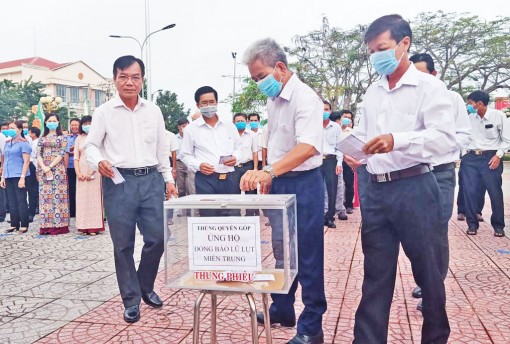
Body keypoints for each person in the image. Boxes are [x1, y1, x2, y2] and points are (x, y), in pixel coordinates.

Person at [352, 15, 455, 343]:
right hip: (376, 189)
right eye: (371, 52)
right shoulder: (373, 92)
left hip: (415, 188)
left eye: (381, 48)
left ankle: (435, 337)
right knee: (375, 276)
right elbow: (364, 134)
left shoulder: (430, 88)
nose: (376, 56)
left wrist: (399, 139)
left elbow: (445, 140)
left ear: (404, 44)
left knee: (428, 273)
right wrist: (352, 147)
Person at [240, 38, 326, 344]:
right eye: (254, 79)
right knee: (283, 252)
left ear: (280, 67)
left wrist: (269, 171)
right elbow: (273, 143)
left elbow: (308, 146)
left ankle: (312, 327)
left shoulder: (305, 98)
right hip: (280, 182)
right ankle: (283, 308)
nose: (259, 83)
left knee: (308, 255)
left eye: (260, 76)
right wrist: (268, 174)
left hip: (305, 183)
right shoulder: (273, 101)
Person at [84, 55, 177, 324]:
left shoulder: (154, 111)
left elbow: (161, 148)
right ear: (114, 79)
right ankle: (132, 299)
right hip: (118, 181)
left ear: (142, 80)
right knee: (123, 244)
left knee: (158, 238)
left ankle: (144, 285)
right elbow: (91, 145)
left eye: (135, 77)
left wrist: (168, 179)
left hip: (150, 181)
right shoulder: (104, 113)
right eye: (123, 76)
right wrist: (98, 160)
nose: (129, 82)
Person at [409, 52, 472, 311]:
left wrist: (437, 145)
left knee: (436, 231)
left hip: (441, 172)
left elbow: (464, 136)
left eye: (422, 74)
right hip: (412, 173)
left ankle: (434, 291)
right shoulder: (408, 98)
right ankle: (425, 281)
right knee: (415, 231)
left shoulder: (452, 98)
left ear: (434, 75)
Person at [180, 86, 249, 217]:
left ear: (217, 103)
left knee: (232, 214)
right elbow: (185, 154)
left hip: (230, 178)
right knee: (208, 215)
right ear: (198, 105)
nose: (209, 106)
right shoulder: (191, 129)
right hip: (205, 179)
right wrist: (198, 165)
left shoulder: (229, 126)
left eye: (212, 102)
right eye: (204, 103)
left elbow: (239, 147)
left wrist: (235, 157)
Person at [462, 90, 510, 237]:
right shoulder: (470, 117)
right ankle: (472, 224)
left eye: (470, 103)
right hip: (470, 158)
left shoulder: (498, 116)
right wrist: (464, 155)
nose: (469, 106)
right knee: (469, 192)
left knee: (494, 192)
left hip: (491, 158)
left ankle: (498, 226)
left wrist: (498, 155)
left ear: (479, 103)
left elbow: (507, 139)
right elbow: (465, 137)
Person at [37, 113, 70, 235]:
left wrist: (50, 166)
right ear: (45, 123)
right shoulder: (42, 138)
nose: (51, 122)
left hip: (58, 170)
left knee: (58, 197)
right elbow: (38, 154)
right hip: (44, 170)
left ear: (58, 122)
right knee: (45, 198)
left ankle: (59, 225)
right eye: (49, 120)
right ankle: (46, 225)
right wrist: (44, 168)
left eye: (54, 120)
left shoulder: (63, 137)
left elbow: (62, 154)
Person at [74, 115, 104, 236]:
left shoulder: (98, 138)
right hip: (81, 170)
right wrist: (78, 173)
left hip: (95, 171)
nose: (87, 126)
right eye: (84, 124)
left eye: (89, 123)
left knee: (94, 199)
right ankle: (83, 226)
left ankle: (94, 226)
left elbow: (100, 155)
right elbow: (76, 157)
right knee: (82, 199)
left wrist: (91, 171)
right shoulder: (79, 139)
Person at [1, 121, 31, 233]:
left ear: (19, 130)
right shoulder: (8, 142)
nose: (10, 130)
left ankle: (24, 224)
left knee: (21, 200)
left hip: (19, 174)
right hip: (8, 174)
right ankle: (14, 224)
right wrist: (3, 177)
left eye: (12, 128)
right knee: (11, 200)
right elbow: (5, 161)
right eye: (9, 128)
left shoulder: (24, 143)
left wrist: (22, 177)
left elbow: (26, 161)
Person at [233, 112, 259, 215]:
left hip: (248, 166)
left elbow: (255, 152)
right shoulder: (230, 134)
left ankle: (250, 215)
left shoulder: (252, 135)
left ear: (246, 122)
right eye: (237, 121)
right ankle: (235, 215)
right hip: (234, 168)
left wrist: (255, 168)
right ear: (233, 122)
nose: (240, 123)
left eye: (242, 121)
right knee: (234, 192)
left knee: (250, 192)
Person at [322, 101, 343, 228]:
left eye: (326, 109)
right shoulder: (312, 126)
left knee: (332, 189)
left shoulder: (336, 127)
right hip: (316, 161)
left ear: (330, 111)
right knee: (316, 189)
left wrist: (339, 163)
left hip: (331, 160)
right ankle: (319, 216)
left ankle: (330, 217)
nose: (323, 112)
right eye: (321, 109)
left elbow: (340, 146)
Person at [339, 110, 355, 214]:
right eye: (345, 117)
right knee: (338, 184)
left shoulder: (352, 132)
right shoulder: (336, 130)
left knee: (349, 183)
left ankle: (349, 205)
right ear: (340, 118)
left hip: (348, 160)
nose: (347, 119)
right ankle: (338, 206)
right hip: (337, 160)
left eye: (349, 118)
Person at [66, 118, 80, 218]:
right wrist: (72, 150)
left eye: (76, 125)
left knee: (79, 189)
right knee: (70, 189)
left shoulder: (83, 137)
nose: (74, 127)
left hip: (79, 166)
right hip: (69, 166)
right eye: (72, 125)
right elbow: (64, 150)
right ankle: (72, 211)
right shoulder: (68, 138)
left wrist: (69, 151)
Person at [27, 126, 41, 222]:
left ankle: (31, 213)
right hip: (33, 167)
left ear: (34, 133)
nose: (28, 134)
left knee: (33, 192)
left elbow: (36, 157)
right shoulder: (33, 142)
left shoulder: (36, 143)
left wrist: (37, 171)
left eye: (29, 132)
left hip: (34, 167)